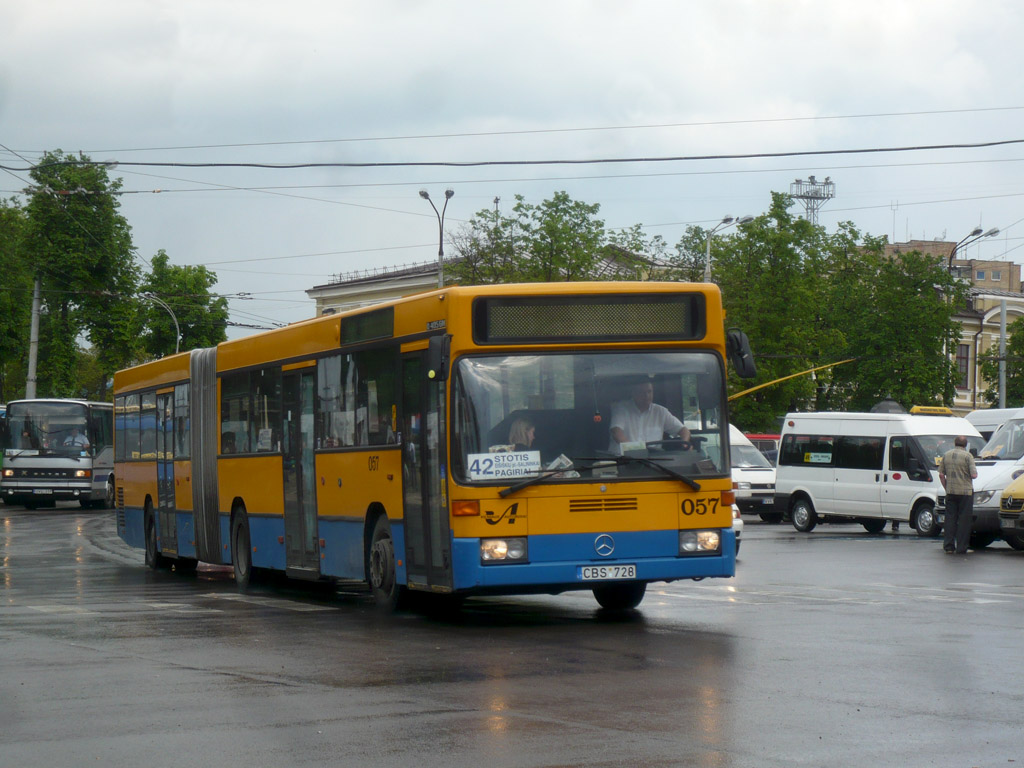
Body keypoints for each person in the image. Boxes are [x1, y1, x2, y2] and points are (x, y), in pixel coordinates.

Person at [608, 380, 691, 454]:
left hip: (652, 463)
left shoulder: (661, 412)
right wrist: (635, 451)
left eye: (649, 392)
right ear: (633, 393)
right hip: (622, 461)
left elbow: (684, 430)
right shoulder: (621, 408)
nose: (646, 396)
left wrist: (684, 444)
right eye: (642, 392)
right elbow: (616, 433)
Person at [938, 434, 978, 555]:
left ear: (955, 443)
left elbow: (941, 474)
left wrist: (946, 487)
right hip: (965, 492)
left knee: (950, 519)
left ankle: (949, 546)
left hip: (951, 492)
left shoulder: (947, 455)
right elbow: (974, 475)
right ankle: (962, 547)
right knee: (964, 521)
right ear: (965, 445)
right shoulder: (968, 456)